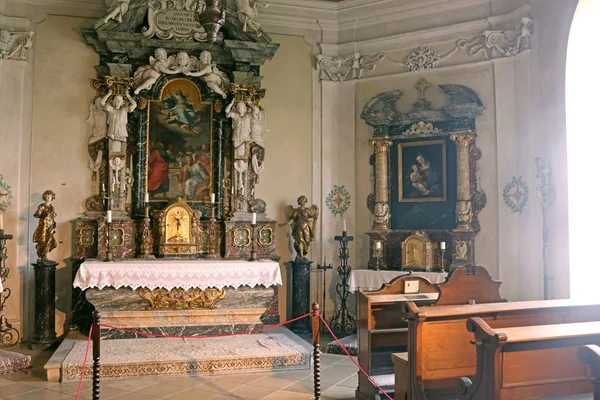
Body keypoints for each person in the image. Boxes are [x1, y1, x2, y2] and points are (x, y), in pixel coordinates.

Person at [283, 195, 319, 260]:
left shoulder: (307, 210)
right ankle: (301, 254)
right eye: (300, 200)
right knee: (300, 240)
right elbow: (293, 219)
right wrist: (289, 222)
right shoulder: (297, 210)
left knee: (307, 241)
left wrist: (315, 216)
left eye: (303, 200)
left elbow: (311, 216)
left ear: (305, 202)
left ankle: (304, 253)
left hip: (306, 227)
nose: (302, 202)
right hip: (298, 227)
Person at [33, 190, 57, 262]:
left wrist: (53, 224)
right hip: (43, 226)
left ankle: (45, 256)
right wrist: (43, 215)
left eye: (50, 196)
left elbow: (53, 217)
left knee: (49, 240)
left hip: (50, 226)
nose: (48, 197)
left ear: (52, 197)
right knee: (42, 240)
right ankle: (40, 256)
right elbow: (36, 215)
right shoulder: (42, 206)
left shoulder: (52, 207)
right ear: (44, 197)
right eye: (47, 196)